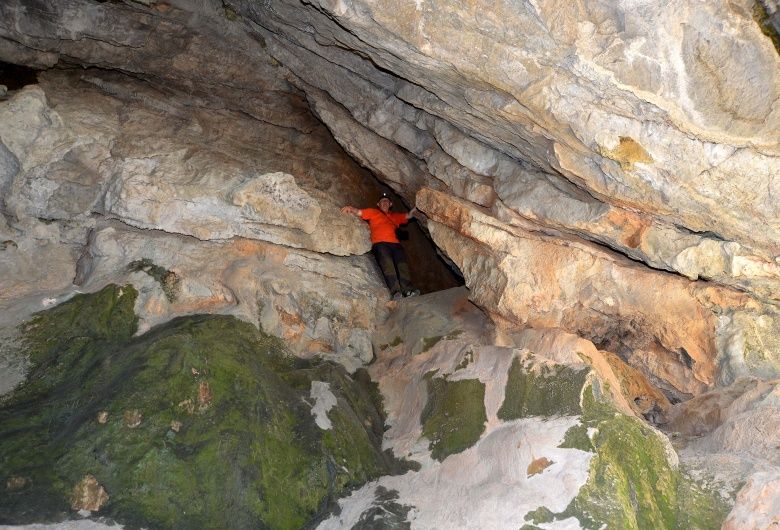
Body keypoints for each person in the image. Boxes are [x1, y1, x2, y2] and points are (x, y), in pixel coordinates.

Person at [341, 194, 421, 300]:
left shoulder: (395, 217)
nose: (384, 203)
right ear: (378, 204)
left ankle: (408, 291)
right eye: (382, 201)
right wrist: (350, 208)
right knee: (388, 267)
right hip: (380, 244)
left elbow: (409, 215)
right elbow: (360, 212)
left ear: (390, 204)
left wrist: (418, 206)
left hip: (396, 245)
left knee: (403, 267)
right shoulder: (373, 212)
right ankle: (396, 292)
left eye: (387, 201)